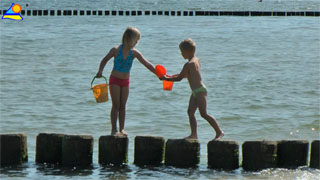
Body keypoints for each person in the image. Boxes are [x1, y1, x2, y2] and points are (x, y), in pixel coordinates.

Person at [160, 38, 224, 140]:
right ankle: (194, 134)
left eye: (182, 52)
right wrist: (170, 77)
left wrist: (166, 78)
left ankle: (219, 132)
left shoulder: (189, 64)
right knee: (190, 112)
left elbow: (179, 78)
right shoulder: (196, 60)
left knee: (204, 114)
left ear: (188, 51)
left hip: (200, 91)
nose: (181, 54)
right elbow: (187, 75)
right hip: (195, 91)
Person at [96, 27, 156, 136]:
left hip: (125, 81)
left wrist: (159, 74)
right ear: (128, 39)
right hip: (114, 80)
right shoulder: (116, 50)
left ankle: (121, 129)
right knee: (116, 105)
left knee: (123, 106)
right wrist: (100, 71)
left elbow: (147, 64)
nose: (137, 42)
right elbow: (104, 60)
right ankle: (114, 129)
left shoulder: (134, 53)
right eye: (136, 40)